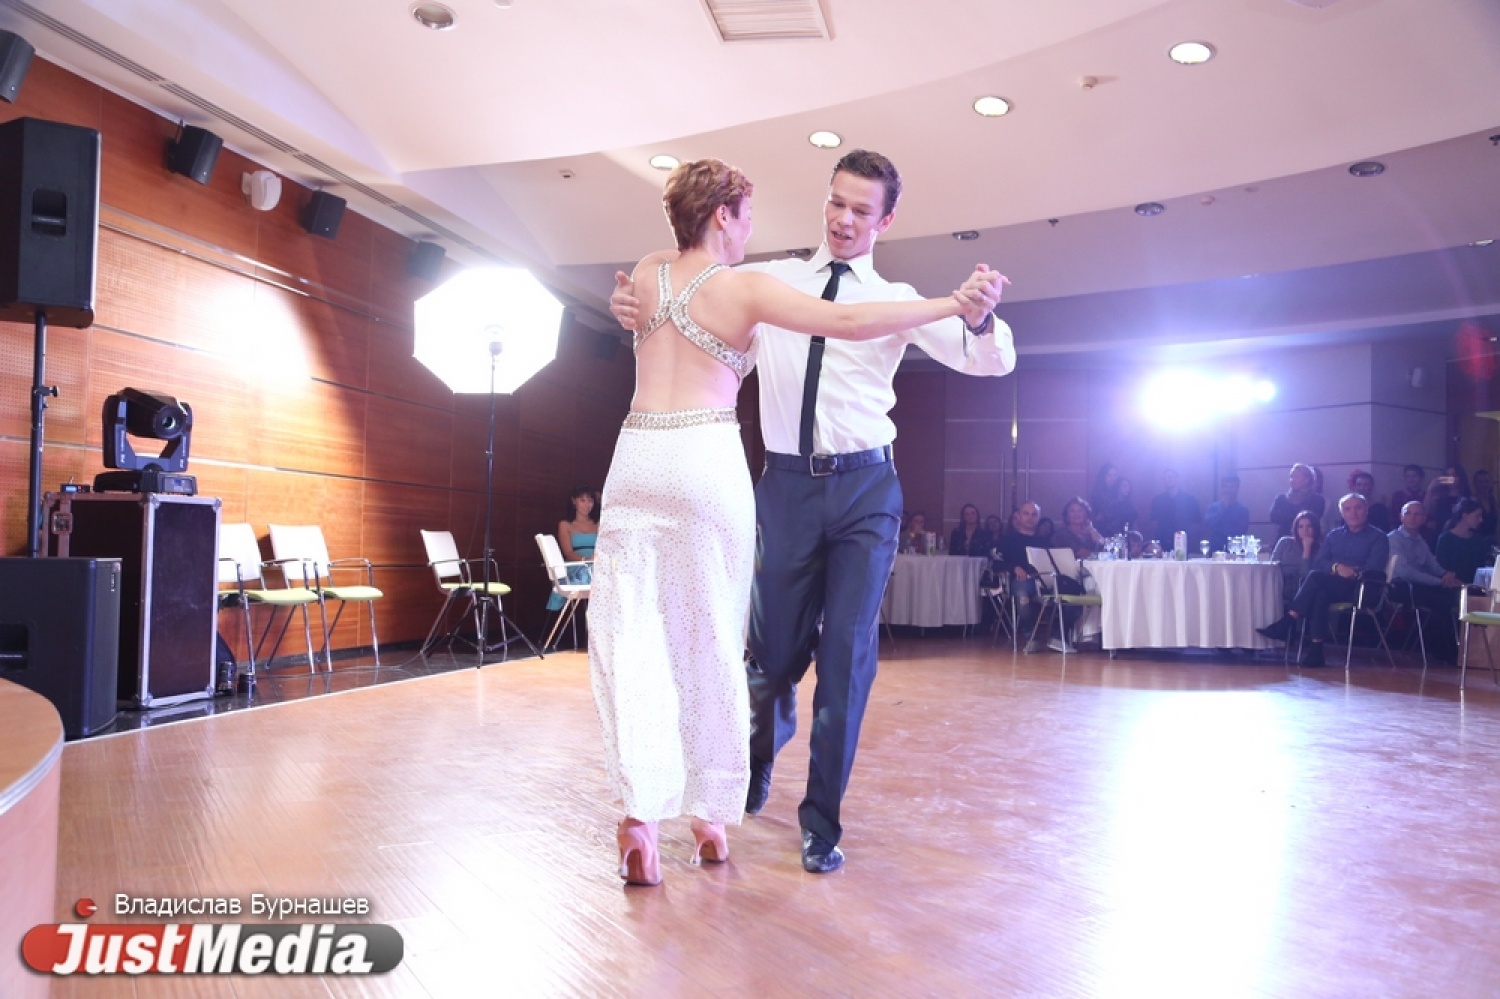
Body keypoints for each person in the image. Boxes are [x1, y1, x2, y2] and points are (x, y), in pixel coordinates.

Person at [592, 157, 999, 885]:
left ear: (885, 220)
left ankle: (811, 823)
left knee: (833, 657)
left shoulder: (891, 298)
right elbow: (835, 321)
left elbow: (985, 361)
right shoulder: (760, 281)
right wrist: (624, 300)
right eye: (836, 203)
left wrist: (972, 313)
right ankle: (729, 788)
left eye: (861, 210)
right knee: (758, 655)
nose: (843, 219)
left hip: (859, 486)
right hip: (774, 482)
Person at [1258, 493, 1391, 667]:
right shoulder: (1334, 536)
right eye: (1347, 509)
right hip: (1333, 584)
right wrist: (1336, 567)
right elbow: (1320, 563)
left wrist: (1352, 571)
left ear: (1366, 510)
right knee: (1319, 592)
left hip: (1362, 588)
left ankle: (1288, 620)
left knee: (1315, 578)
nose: (1353, 513)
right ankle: (1316, 652)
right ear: (1342, 513)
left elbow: (1375, 568)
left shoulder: (1379, 537)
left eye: (1358, 508)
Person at [1388, 501, 1460, 663]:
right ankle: (1442, 651)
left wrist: (1446, 575)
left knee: (1456, 597)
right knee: (1441, 600)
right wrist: (1439, 582)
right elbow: (1406, 572)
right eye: (1408, 513)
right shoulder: (1393, 539)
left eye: (1417, 514)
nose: (1412, 517)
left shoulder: (1420, 540)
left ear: (1423, 519)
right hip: (1400, 587)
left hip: (1420, 586)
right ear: (1401, 517)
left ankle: (1457, 649)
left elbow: (1432, 565)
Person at [995, 501, 1045, 652]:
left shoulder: (1044, 542)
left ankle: (1058, 636)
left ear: (1038, 518)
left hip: (1043, 581)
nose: (1030, 518)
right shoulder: (1007, 540)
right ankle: (1031, 636)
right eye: (1026, 514)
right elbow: (996, 564)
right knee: (1022, 593)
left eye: (1034, 515)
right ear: (1019, 516)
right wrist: (1014, 568)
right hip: (1019, 582)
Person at [547, 486, 599, 613]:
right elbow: (568, 553)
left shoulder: (599, 524)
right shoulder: (565, 525)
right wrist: (587, 560)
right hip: (576, 564)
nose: (587, 505)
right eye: (583, 500)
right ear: (574, 501)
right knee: (588, 572)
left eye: (590, 500)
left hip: (597, 564)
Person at [1435, 497, 1492, 585]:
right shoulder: (1445, 539)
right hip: (1452, 588)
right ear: (1465, 516)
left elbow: (1481, 569)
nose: (1481, 520)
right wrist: (1463, 585)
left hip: (1476, 588)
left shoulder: (1478, 540)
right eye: (1477, 516)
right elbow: (1442, 570)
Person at [1270, 511, 1322, 602]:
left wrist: (1306, 550)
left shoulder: (1320, 549)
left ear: (1315, 528)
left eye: (1309, 526)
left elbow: (1305, 576)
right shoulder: (1285, 542)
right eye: (1300, 526)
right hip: (1280, 584)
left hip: (1302, 588)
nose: (1305, 530)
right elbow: (1272, 567)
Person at [1269, 463, 1325, 539]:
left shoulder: (1317, 500)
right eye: (1291, 477)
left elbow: (1311, 519)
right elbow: (1273, 517)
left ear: (1307, 479)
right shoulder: (1281, 499)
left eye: (1296, 477)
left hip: (1309, 540)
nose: (1292, 480)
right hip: (1284, 540)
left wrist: (1288, 517)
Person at [1148, 469, 1201, 548]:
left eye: (1170, 477)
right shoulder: (1158, 500)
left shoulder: (1189, 499)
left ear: (1177, 479)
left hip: (1183, 541)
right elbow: (1153, 521)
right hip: (1162, 540)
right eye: (1165, 478)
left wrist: (1187, 534)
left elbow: (1196, 521)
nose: (1167, 480)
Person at [1203, 475, 1251, 553]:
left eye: (1232, 487)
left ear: (1237, 488)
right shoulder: (1213, 507)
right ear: (1222, 488)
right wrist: (1223, 509)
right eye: (1226, 487)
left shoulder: (1243, 510)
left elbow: (1242, 530)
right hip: (1216, 548)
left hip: (1236, 549)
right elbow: (1209, 524)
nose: (1228, 490)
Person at [1473, 469, 1497, 536]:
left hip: (1493, 539)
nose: (1483, 484)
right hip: (1477, 539)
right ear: (1474, 483)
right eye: (1480, 481)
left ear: (1491, 482)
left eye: (1486, 481)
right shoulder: (1471, 502)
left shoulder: (1494, 502)